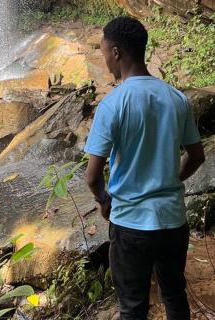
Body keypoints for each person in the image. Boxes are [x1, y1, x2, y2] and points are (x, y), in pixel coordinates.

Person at [84, 16, 205, 320]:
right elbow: (197, 155)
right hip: (172, 221)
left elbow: (93, 175)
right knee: (175, 296)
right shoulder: (177, 99)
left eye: (103, 53)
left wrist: (103, 201)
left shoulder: (113, 104)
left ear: (116, 53)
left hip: (130, 224)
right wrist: (170, 178)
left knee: (133, 307)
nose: (104, 61)